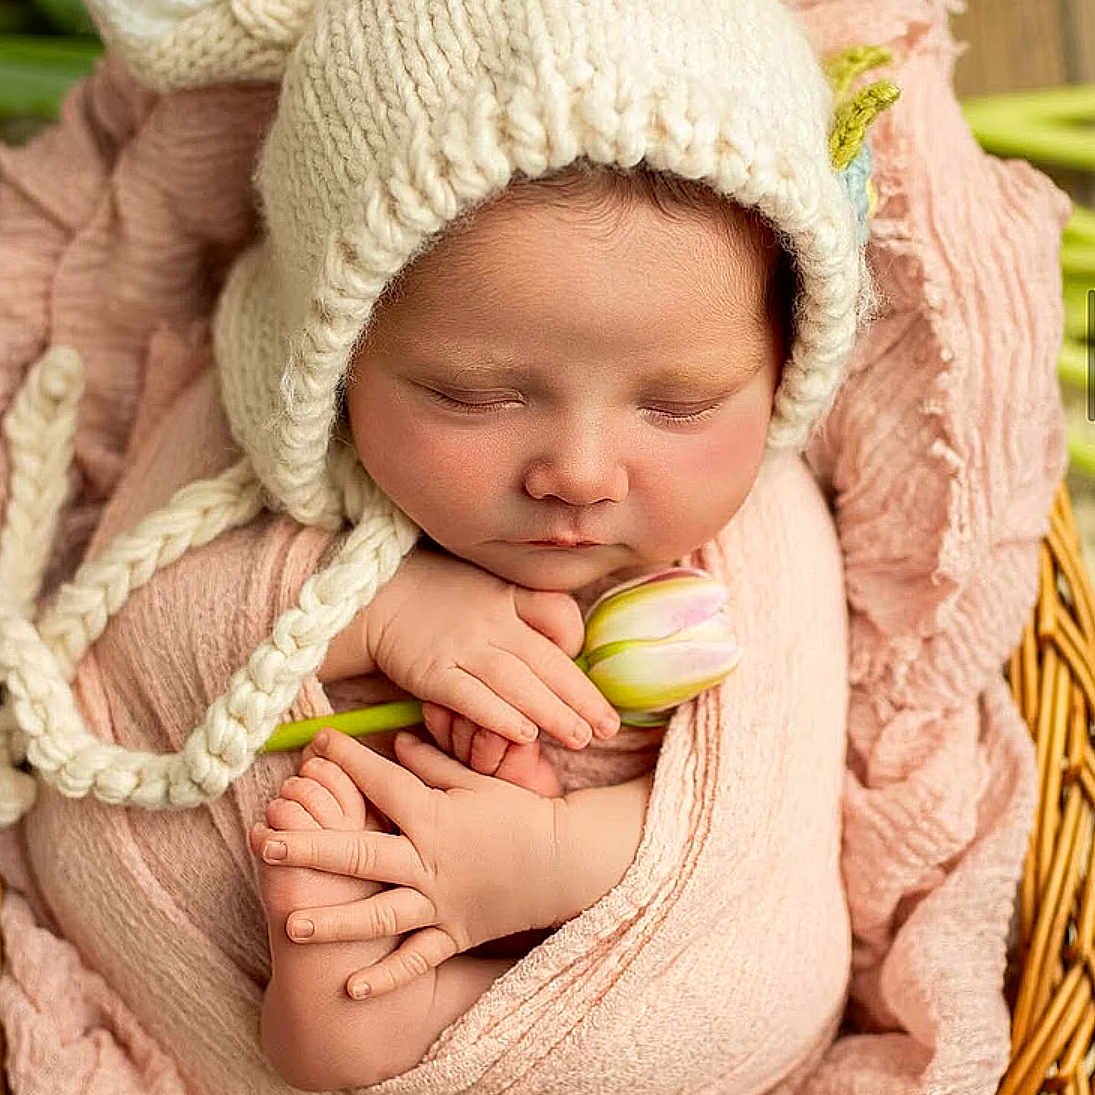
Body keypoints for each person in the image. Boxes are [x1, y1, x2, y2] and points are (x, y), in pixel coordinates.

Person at [0, 0, 896, 1089]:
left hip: (625, 972)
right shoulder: (250, 438)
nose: (579, 473)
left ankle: (402, 1019)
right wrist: (370, 614)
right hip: (213, 965)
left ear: (782, 364)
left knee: (756, 983)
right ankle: (359, 1014)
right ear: (335, 351)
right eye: (475, 395)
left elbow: (765, 824)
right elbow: (114, 642)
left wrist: (540, 862)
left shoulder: (768, 535)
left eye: (679, 406)